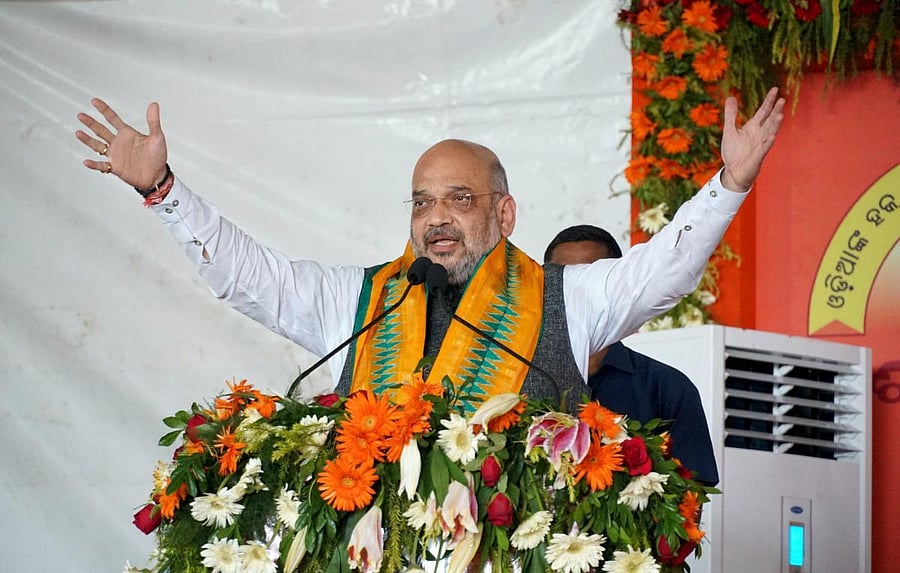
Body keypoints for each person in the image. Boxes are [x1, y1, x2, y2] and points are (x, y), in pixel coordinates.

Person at [74, 88, 785, 410]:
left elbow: (662, 273)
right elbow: (249, 276)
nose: (434, 217)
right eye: (420, 201)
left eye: (458, 198)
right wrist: (165, 191)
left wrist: (729, 184)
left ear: (504, 213)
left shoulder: (569, 297)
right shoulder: (362, 300)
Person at [544, 225, 718, 484]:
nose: (578, 297)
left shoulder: (667, 389)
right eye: (566, 285)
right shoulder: (518, 374)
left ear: (620, 288)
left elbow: (691, 499)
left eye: (592, 282)